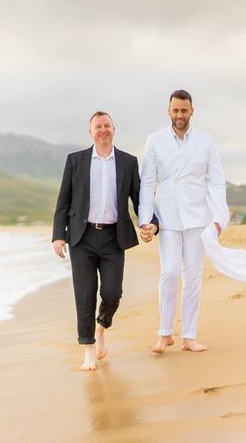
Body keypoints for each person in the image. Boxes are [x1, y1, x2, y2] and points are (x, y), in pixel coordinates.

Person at [52, 111, 156, 371]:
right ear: (90, 132)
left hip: (113, 237)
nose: (103, 130)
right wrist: (58, 235)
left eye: (107, 125)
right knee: (84, 295)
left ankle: (101, 327)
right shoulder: (75, 161)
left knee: (112, 293)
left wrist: (151, 223)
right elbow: (63, 199)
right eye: (97, 126)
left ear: (114, 129)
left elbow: (139, 199)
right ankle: (88, 350)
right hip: (81, 237)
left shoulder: (128, 162)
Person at [138, 89, 229, 354]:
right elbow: (148, 183)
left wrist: (219, 218)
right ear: (169, 111)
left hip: (199, 219)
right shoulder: (154, 141)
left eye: (184, 110)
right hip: (167, 219)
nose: (180, 114)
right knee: (168, 274)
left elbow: (216, 180)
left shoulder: (206, 141)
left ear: (192, 111)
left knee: (193, 278)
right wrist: (145, 219)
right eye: (175, 110)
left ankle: (189, 336)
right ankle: (165, 334)